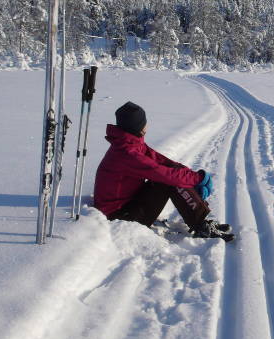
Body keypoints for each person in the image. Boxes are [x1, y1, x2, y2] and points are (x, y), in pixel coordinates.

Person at [93, 101, 233, 241]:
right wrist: (198, 178)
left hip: (127, 204)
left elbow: (162, 161)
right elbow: (166, 175)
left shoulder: (131, 143)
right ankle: (201, 226)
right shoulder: (127, 153)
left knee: (174, 174)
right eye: (145, 121)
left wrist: (192, 176)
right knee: (169, 180)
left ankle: (200, 221)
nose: (147, 124)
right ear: (138, 126)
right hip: (119, 217)